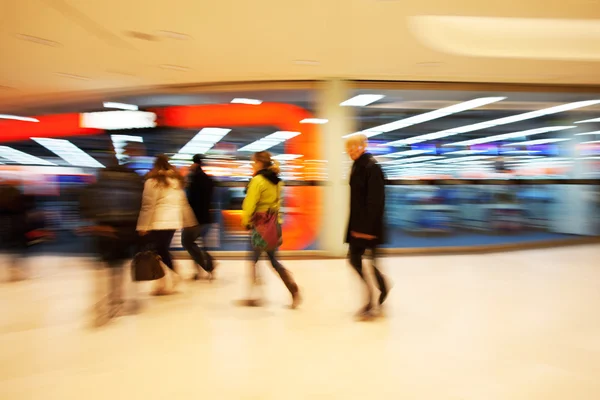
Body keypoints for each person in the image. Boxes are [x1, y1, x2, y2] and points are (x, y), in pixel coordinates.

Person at [79, 152, 144, 325]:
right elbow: (144, 204)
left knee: (105, 266)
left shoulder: (100, 181)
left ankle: (103, 305)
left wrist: (91, 220)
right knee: (121, 265)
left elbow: (86, 202)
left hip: (104, 228)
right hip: (129, 228)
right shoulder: (135, 181)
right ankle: (118, 298)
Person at [240, 151, 301, 309]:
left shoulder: (258, 180)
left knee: (253, 259)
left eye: (253, 162)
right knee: (273, 260)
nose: (252, 165)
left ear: (260, 163)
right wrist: (277, 224)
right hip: (273, 224)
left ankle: (254, 296)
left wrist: (246, 221)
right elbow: (278, 205)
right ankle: (292, 287)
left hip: (259, 225)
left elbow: (250, 204)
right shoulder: (277, 182)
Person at [137, 154, 198, 295]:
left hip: (158, 222)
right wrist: (189, 221)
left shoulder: (152, 182)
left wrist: (143, 226)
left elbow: (148, 205)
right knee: (159, 251)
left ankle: (172, 276)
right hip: (173, 222)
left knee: (160, 251)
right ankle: (163, 283)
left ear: (155, 166)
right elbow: (183, 203)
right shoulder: (175, 182)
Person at [345, 134, 390, 319]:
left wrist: (367, 229)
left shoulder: (372, 167)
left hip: (370, 226)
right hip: (358, 224)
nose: (350, 151)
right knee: (355, 259)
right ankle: (381, 288)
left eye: (354, 146)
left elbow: (376, 201)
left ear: (363, 146)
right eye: (348, 148)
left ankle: (371, 302)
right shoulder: (357, 166)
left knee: (369, 262)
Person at [182, 154, 216, 280]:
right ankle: (205, 267)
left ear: (195, 163)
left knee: (187, 242)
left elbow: (190, 199)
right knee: (200, 244)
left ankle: (206, 266)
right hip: (207, 217)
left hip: (194, 218)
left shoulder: (193, 178)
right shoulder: (208, 179)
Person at [0, 180, 28, 282]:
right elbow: (23, 209)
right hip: (17, 224)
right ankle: (17, 268)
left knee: (9, 247)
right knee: (17, 248)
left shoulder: (2, 194)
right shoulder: (18, 194)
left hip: (5, 224)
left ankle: (13, 268)